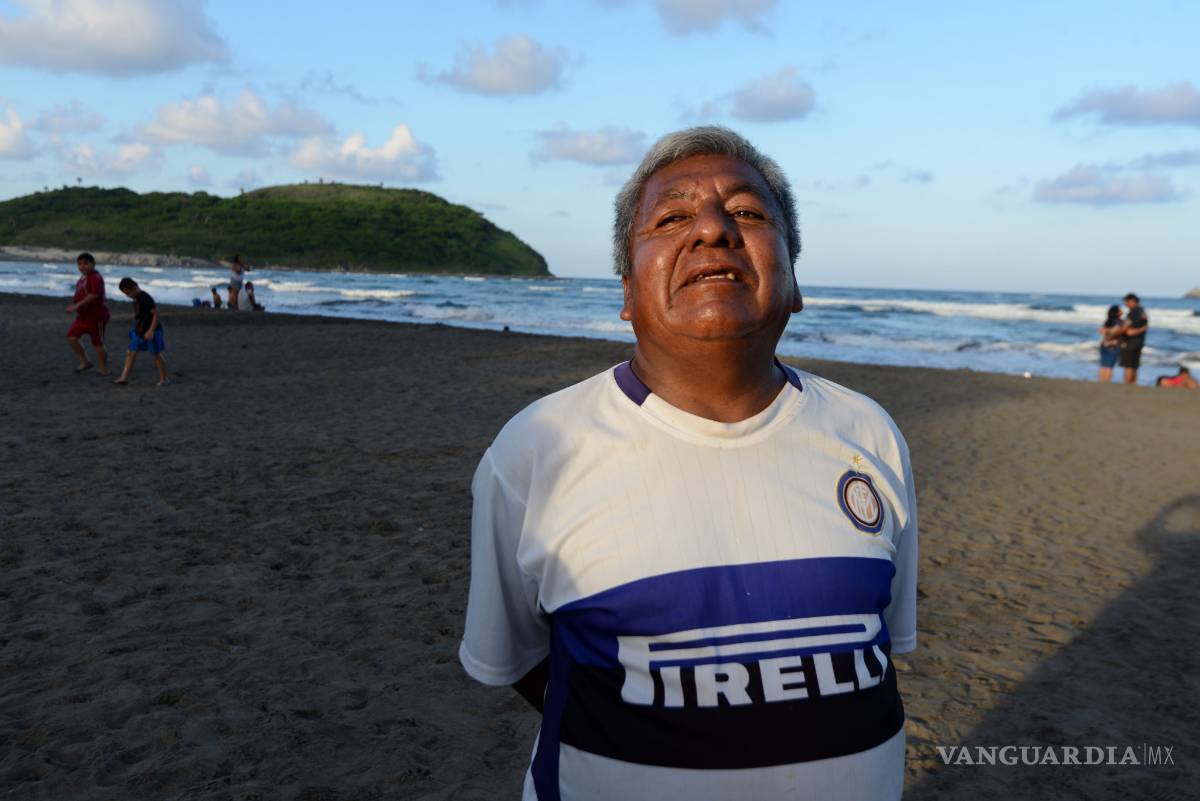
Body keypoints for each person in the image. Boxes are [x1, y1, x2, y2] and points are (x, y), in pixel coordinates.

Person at [460, 127, 918, 801]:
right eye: (672, 217)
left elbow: (883, 640)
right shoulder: (536, 449)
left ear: (794, 281)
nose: (712, 229)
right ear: (626, 291)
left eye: (749, 213)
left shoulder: (869, 433)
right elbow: (522, 659)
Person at [113, 278, 168, 386]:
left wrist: (151, 331)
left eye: (127, 293)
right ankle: (124, 378)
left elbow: (156, 314)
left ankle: (164, 379)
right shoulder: (136, 298)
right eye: (125, 293)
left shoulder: (145, 298)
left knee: (156, 355)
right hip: (140, 331)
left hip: (152, 331)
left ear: (134, 288)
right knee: (130, 353)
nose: (127, 295)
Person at [66, 252, 110, 374]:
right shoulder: (83, 277)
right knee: (71, 337)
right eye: (79, 264)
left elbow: (94, 295)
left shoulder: (95, 277)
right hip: (83, 316)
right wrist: (76, 306)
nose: (82, 266)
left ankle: (104, 370)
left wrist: (77, 305)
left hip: (96, 316)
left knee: (97, 343)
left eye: (86, 263)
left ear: (93, 264)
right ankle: (85, 362)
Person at [1118, 293, 1149, 384]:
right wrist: (1141, 330)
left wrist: (1114, 333)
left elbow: (1127, 329)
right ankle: (1133, 383)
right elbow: (1145, 326)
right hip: (1140, 341)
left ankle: (1127, 383)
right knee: (1135, 365)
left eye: (1126, 302)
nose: (1125, 304)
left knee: (1128, 365)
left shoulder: (1133, 312)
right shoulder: (1142, 311)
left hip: (1130, 342)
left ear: (1132, 301)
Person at [1097, 304, 1123, 383]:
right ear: (1117, 312)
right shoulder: (1119, 322)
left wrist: (1107, 332)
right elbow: (1114, 333)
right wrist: (1111, 333)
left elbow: (1100, 330)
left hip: (1104, 345)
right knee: (1109, 366)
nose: (1122, 311)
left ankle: (1101, 381)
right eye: (1120, 310)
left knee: (1103, 365)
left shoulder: (1107, 321)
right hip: (1113, 346)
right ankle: (1106, 382)